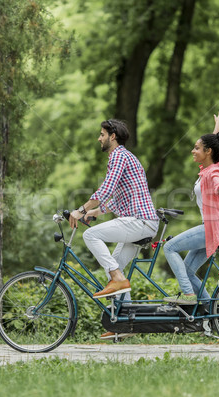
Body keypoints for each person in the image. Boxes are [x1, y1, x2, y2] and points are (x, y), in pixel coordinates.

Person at [69, 119, 159, 339]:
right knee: (116, 265)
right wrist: (94, 212)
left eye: (102, 134)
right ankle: (127, 325)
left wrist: (80, 209)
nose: (99, 138)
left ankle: (116, 278)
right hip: (142, 222)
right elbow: (116, 198)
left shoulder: (118, 155)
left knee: (91, 235)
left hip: (139, 221)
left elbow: (106, 188)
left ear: (113, 136)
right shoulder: (125, 157)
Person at [163, 109, 219, 305]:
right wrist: (218, 126)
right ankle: (210, 314)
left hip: (212, 228)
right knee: (186, 270)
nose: (193, 151)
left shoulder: (213, 173)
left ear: (207, 152)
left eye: (196, 148)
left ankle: (188, 295)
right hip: (217, 228)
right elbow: (213, 145)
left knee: (169, 248)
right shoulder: (216, 164)